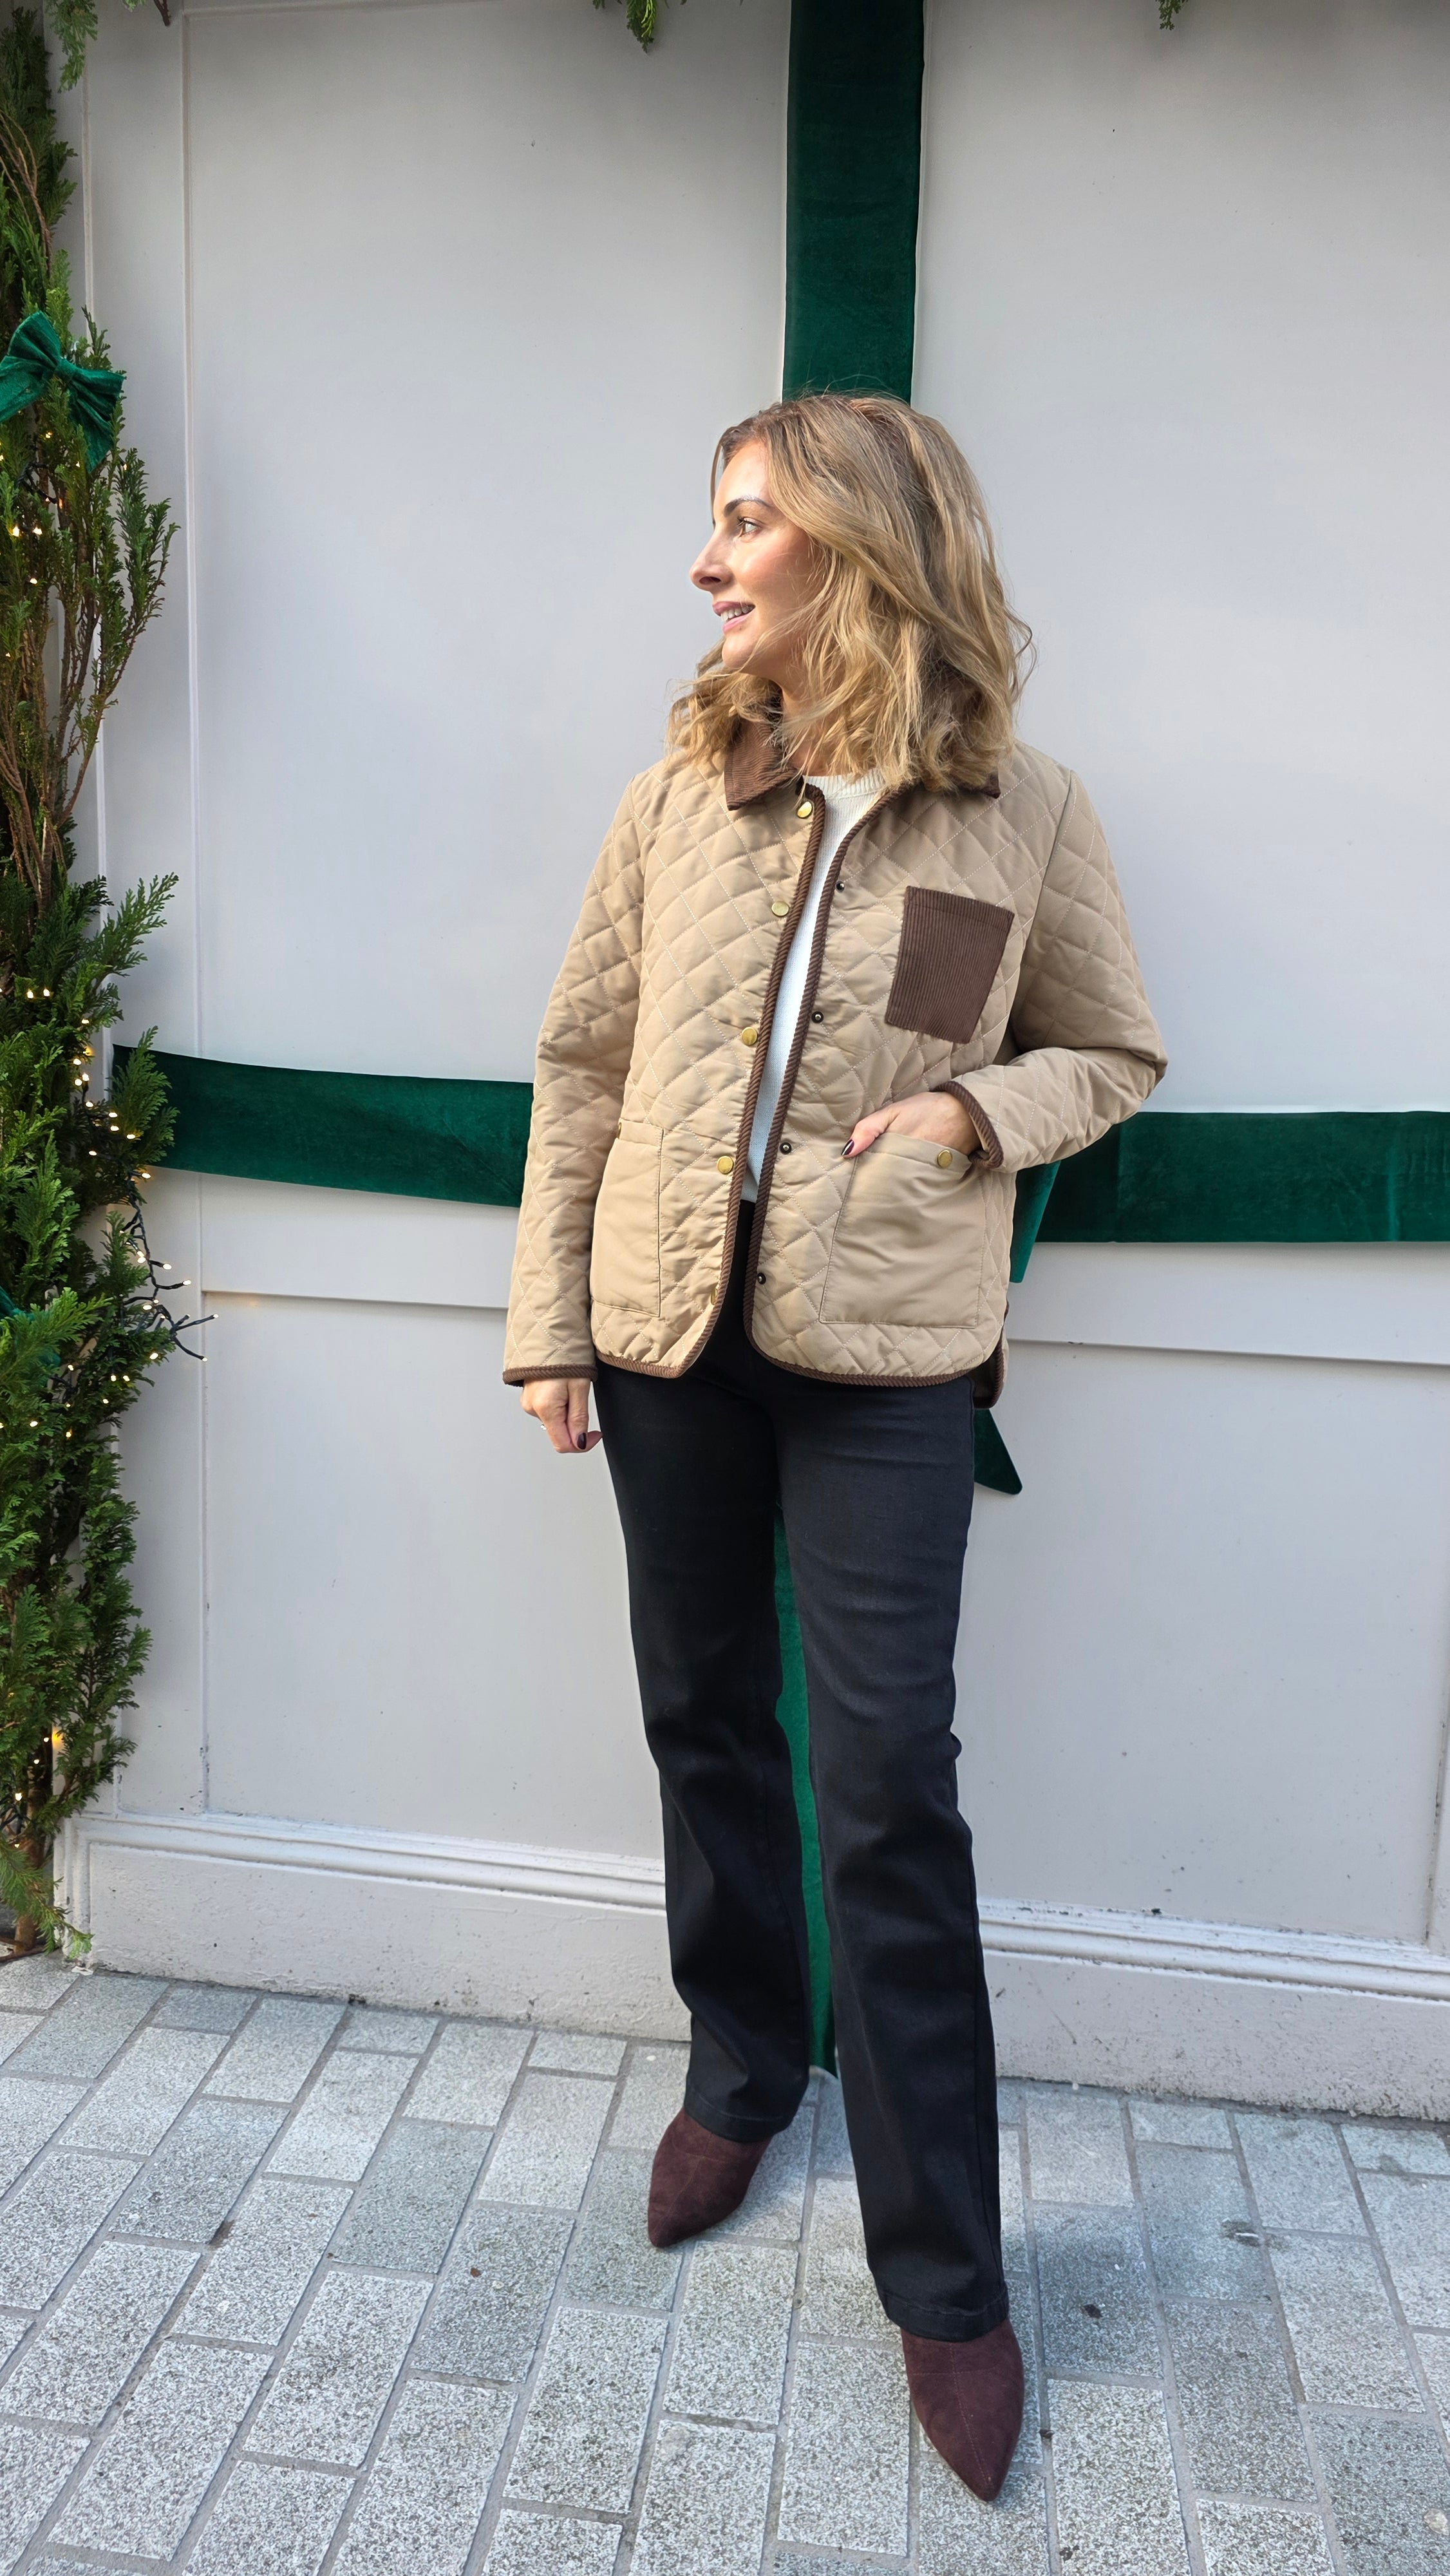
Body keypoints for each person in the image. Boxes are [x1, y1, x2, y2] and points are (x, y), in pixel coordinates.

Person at [504, 393, 1164, 2501]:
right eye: (714, 524)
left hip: (884, 1352)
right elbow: (581, 1062)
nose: (708, 562)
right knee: (702, 1713)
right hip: (664, 1334)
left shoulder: (1016, 809)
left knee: (886, 1788)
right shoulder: (681, 790)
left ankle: (948, 2281)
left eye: (746, 522)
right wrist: (547, 1323)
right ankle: (737, 2068)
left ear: (862, 544)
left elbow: (1110, 1049)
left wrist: (973, 1112)